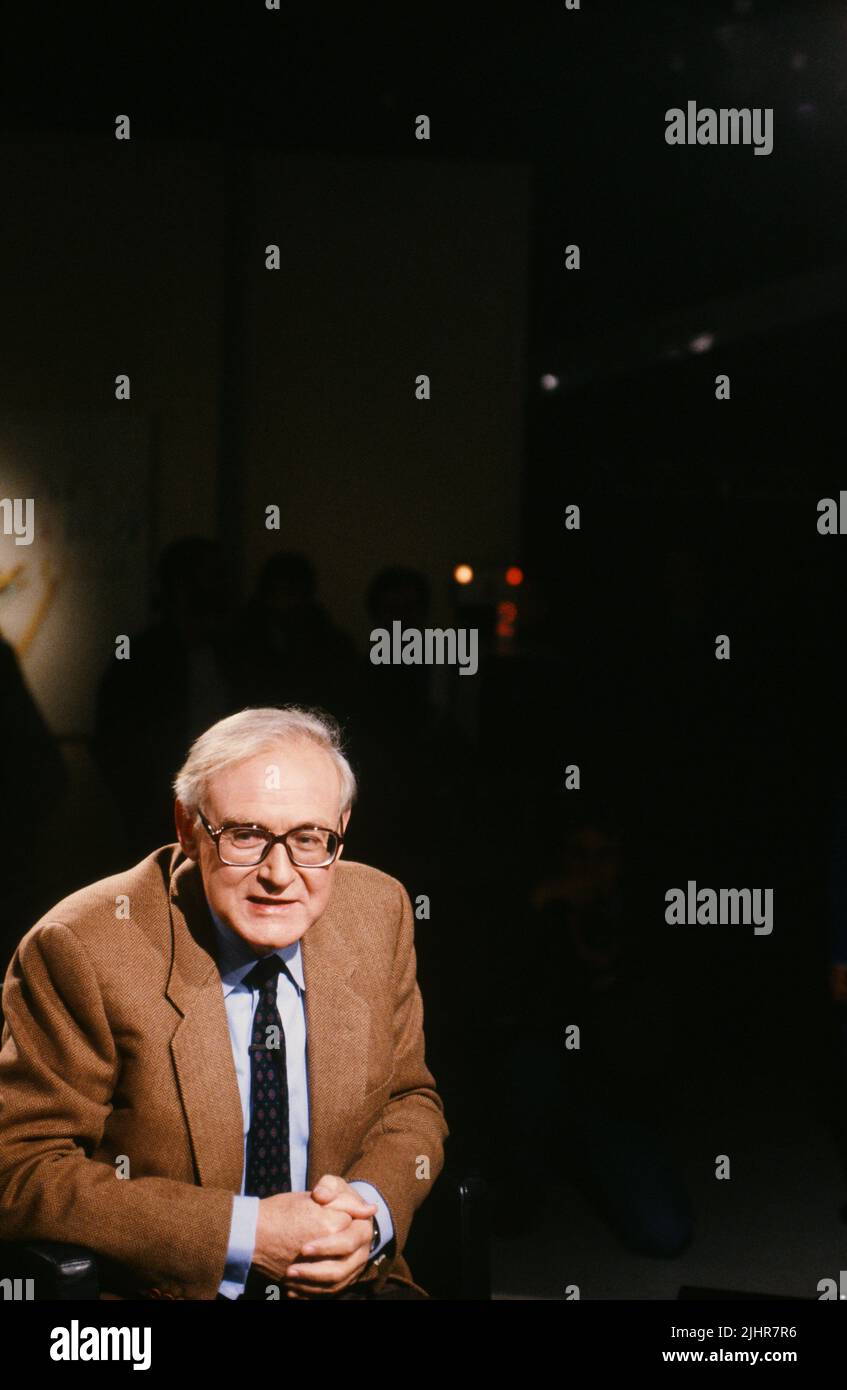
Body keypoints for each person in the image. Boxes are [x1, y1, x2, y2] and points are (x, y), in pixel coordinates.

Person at [0, 706, 448, 1300]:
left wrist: (367, 1214)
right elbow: (19, 1171)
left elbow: (409, 1100)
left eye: (310, 838)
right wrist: (245, 1233)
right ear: (187, 827)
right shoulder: (83, 948)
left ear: (341, 828)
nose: (280, 875)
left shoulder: (379, 911)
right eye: (247, 836)